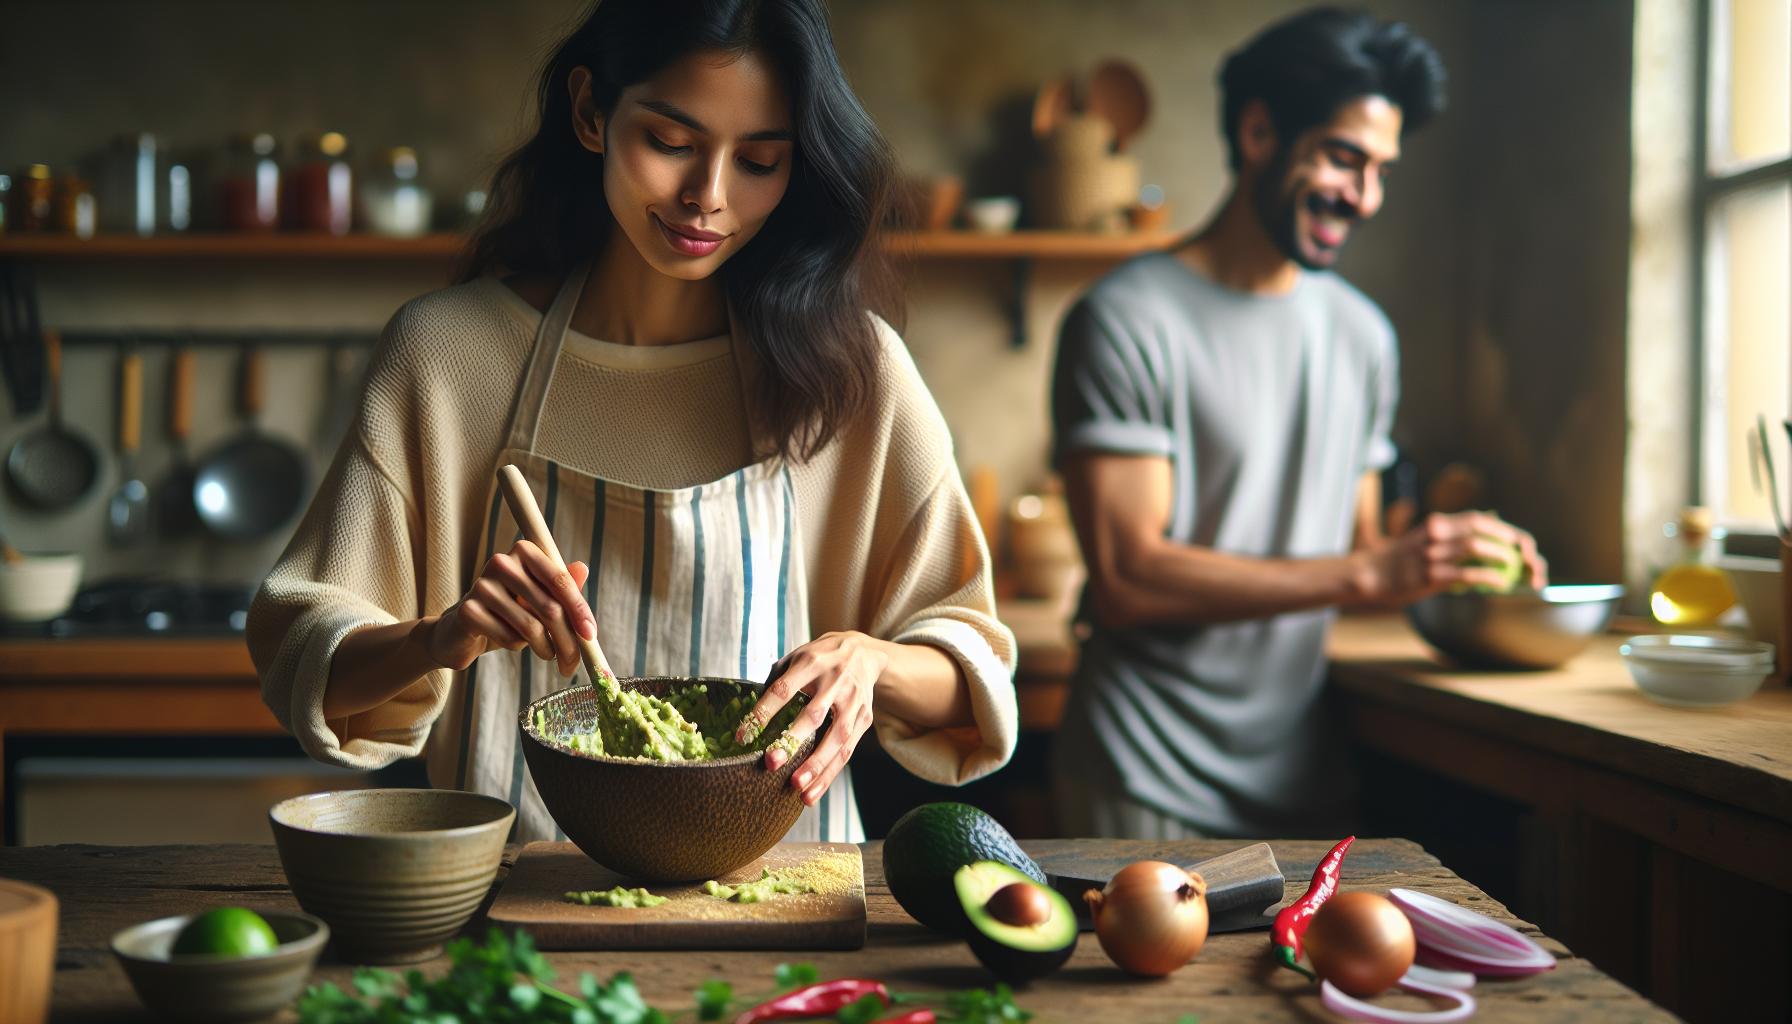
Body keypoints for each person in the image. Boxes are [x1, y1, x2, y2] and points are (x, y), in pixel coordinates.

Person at [248, 0, 1018, 844]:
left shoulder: (850, 371)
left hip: (781, 904)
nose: (707, 198)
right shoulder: (447, 355)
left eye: (759, 160)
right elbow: (303, 656)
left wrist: (874, 663)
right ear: (591, 113)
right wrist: (438, 637)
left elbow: (971, 675)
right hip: (511, 914)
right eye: (671, 143)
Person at [1049, 7, 1545, 839]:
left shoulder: (1363, 336)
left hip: (1306, 781)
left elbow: (1351, 559)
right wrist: (1372, 574)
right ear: (1257, 131)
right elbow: (1129, 580)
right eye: (1344, 159)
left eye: (1381, 169)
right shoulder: (1125, 319)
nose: (1366, 197)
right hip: (1143, 779)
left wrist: (1450, 563)